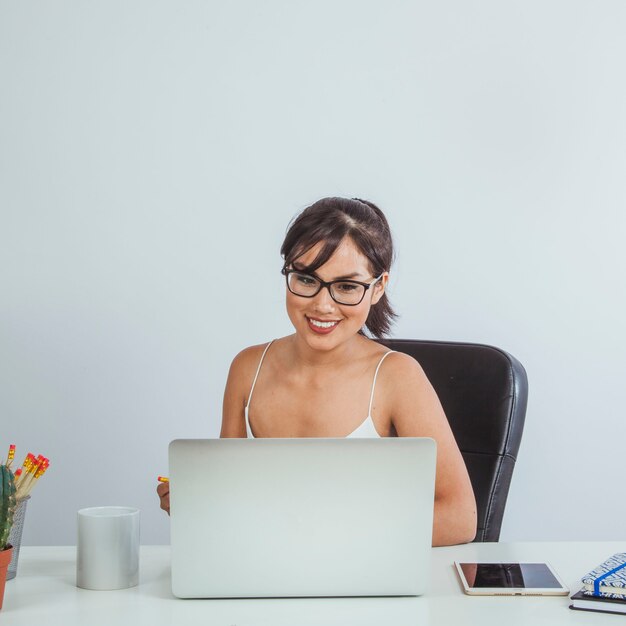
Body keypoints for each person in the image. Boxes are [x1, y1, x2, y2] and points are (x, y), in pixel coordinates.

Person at [158, 197, 477, 546]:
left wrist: (325, 535)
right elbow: (230, 501)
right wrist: (197, 502)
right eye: (307, 279)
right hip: (266, 578)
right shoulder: (247, 368)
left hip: (361, 579)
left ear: (378, 287)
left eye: (347, 287)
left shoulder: (397, 377)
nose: (322, 305)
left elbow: (459, 517)